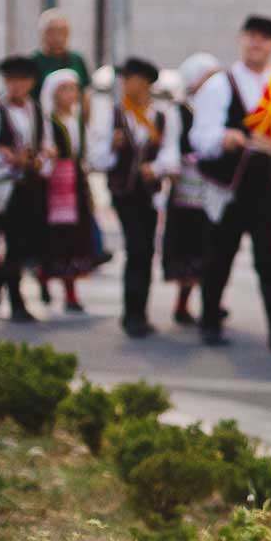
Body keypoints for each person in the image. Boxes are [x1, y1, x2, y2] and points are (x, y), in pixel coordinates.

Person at [191, 14, 271, 348]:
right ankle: (209, 321)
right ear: (241, 39)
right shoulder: (221, 84)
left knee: (270, 261)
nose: (256, 43)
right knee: (219, 256)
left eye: (264, 38)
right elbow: (200, 136)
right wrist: (224, 137)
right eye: (251, 36)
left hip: (267, 188)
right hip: (229, 186)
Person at [87, 57, 179, 337]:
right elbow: (96, 158)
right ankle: (132, 314)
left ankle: (140, 311)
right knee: (137, 246)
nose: (125, 84)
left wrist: (158, 167)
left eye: (130, 79)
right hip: (123, 191)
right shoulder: (112, 114)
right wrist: (113, 149)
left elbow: (171, 153)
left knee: (146, 249)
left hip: (149, 193)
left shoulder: (163, 115)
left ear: (145, 83)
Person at [0, 56, 49, 321]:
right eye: (11, 81)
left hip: (31, 187)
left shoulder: (36, 111)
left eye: (22, 81)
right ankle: (15, 299)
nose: (16, 86)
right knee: (12, 242)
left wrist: (39, 160)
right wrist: (7, 162)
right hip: (5, 188)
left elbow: (46, 145)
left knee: (26, 244)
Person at [163, 54, 224, 327]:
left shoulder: (216, 108)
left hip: (212, 186)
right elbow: (173, 147)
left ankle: (211, 300)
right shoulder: (180, 111)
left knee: (211, 243)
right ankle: (183, 303)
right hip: (187, 189)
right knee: (188, 243)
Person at [37, 69, 99, 310]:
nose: (70, 94)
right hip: (55, 185)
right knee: (56, 235)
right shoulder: (47, 122)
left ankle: (70, 290)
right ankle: (45, 274)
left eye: (73, 89)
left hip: (76, 183)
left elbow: (87, 151)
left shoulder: (78, 122)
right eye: (64, 89)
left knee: (75, 236)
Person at [29, 8, 91, 93]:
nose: (58, 37)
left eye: (62, 32)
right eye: (52, 32)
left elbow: (85, 91)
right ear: (42, 34)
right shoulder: (33, 61)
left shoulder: (77, 60)